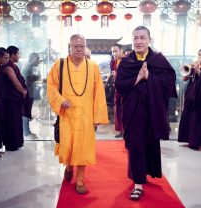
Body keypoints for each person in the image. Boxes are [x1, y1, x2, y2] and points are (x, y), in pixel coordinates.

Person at [115, 26, 177, 200]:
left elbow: (169, 83)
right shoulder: (126, 62)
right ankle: (137, 183)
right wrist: (138, 78)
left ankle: (145, 173)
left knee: (149, 143)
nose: (139, 41)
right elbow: (120, 86)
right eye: (135, 38)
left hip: (152, 111)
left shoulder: (159, 60)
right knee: (134, 144)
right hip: (133, 111)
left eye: (142, 37)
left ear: (150, 40)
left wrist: (150, 77)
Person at [47, 34, 108, 194]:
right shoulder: (59, 64)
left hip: (85, 115)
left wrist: (97, 117)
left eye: (82, 46)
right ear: (70, 46)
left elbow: (99, 93)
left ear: (85, 46)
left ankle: (80, 179)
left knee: (83, 147)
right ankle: (69, 166)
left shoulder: (93, 66)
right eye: (76, 46)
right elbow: (51, 85)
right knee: (68, 145)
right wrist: (59, 99)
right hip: (67, 115)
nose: (79, 49)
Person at [178, 48, 201, 150]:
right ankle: (188, 139)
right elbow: (185, 78)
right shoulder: (195, 65)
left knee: (197, 119)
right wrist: (188, 70)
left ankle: (196, 142)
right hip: (191, 96)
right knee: (188, 117)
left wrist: (198, 70)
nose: (200, 57)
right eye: (199, 54)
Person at [2, 46, 30, 151]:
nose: (19, 56)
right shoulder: (8, 66)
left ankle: (17, 142)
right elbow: (15, 82)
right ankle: (12, 144)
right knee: (12, 121)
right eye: (18, 54)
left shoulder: (13, 65)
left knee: (17, 121)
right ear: (12, 55)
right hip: (11, 99)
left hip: (15, 100)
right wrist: (22, 91)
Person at [22, 52, 41, 138]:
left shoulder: (29, 67)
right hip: (28, 94)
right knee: (26, 112)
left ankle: (27, 131)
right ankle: (26, 132)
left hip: (30, 93)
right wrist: (34, 78)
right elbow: (26, 81)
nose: (38, 61)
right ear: (33, 59)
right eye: (37, 59)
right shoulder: (27, 68)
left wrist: (34, 78)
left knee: (27, 112)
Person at [110, 44, 124, 138]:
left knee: (125, 109)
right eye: (113, 51)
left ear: (121, 51)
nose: (114, 53)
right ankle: (121, 130)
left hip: (125, 89)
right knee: (118, 109)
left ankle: (126, 130)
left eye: (116, 51)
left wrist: (117, 75)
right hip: (117, 88)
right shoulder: (113, 62)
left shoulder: (126, 61)